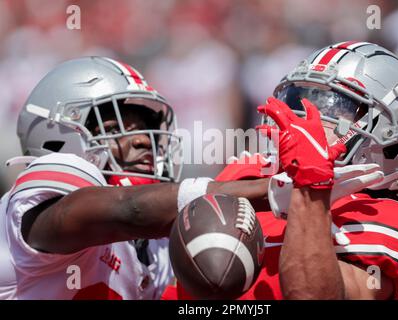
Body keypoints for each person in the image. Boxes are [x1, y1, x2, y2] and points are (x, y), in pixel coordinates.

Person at [162, 41, 398, 300]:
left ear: (395, 143)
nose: (306, 114)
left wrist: (311, 186)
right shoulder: (249, 169)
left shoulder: (379, 215)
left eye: (336, 107)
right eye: (300, 99)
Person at [0, 57, 270, 300]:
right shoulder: (43, 194)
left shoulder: (156, 247)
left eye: (145, 128)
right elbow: (130, 210)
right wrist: (272, 190)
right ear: (58, 138)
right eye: (114, 128)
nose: (142, 140)